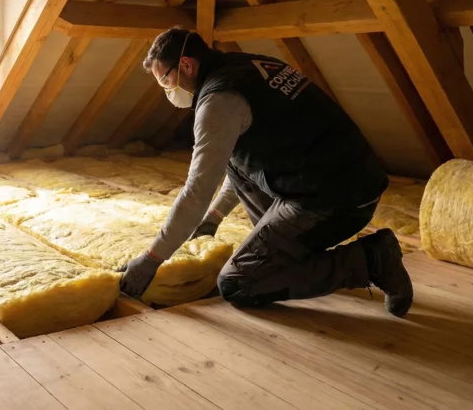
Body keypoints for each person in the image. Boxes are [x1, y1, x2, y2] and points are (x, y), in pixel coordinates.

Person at [118, 27, 413, 317]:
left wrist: (151, 259)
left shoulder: (220, 101)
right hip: (349, 176)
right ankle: (290, 257)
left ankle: (370, 260)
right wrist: (214, 218)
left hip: (334, 199)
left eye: (166, 81)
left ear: (185, 65)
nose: (168, 91)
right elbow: (245, 163)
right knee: (232, 158)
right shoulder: (249, 65)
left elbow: (197, 190)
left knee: (236, 283)